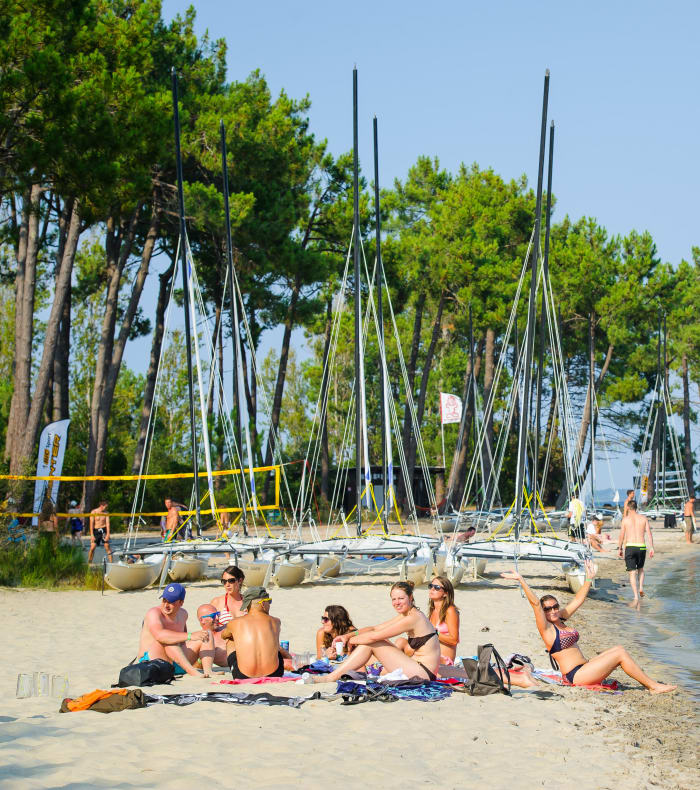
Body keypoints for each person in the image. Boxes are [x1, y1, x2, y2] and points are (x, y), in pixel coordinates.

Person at [500, 563, 676, 693]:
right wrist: (521, 580)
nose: (553, 611)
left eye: (555, 606)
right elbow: (535, 604)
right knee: (620, 655)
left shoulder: (561, 618)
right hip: (575, 676)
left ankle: (652, 684)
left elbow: (578, 600)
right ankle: (653, 686)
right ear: (543, 612)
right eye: (548, 609)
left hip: (585, 667)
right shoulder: (547, 629)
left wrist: (589, 578)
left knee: (619, 649)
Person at [317, 581, 441, 683]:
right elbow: (375, 628)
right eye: (394, 599)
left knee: (373, 642)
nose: (397, 603)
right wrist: (347, 636)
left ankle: (331, 677)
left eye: (401, 598)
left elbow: (374, 636)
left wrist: (350, 640)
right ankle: (336, 674)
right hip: (416, 666)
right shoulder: (407, 615)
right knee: (375, 644)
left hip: (424, 673)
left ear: (411, 597)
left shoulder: (413, 618)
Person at [137, 583, 212, 677]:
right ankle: (192, 671)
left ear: (181, 603)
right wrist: (190, 635)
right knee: (168, 640)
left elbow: (183, 642)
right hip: (153, 662)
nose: (166, 605)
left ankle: (208, 671)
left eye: (171, 602)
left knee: (207, 634)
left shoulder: (183, 614)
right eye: (164, 600)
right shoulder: (154, 613)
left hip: (177, 663)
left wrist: (198, 637)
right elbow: (160, 636)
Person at [219, 586, 288, 679]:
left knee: (230, 640)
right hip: (274, 674)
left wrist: (237, 633)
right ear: (263, 603)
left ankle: (242, 667)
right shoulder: (276, 621)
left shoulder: (234, 623)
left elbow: (223, 636)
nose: (269, 605)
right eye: (269, 601)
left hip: (242, 676)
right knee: (271, 643)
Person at [396, 576, 459, 664]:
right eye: (431, 586)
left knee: (403, 658)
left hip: (443, 659)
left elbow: (454, 640)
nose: (432, 589)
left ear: (445, 593)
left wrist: (434, 632)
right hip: (430, 653)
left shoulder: (450, 610)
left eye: (437, 587)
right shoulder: (433, 610)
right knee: (400, 642)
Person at [618, 500, 654, 602]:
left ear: (628, 508)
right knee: (641, 569)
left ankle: (635, 596)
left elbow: (621, 535)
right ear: (636, 507)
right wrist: (652, 547)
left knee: (632, 572)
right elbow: (649, 533)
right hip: (641, 547)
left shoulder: (625, 520)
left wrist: (620, 548)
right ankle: (641, 587)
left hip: (630, 547)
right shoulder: (643, 518)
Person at [193, 604, 228, 673]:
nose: (217, 618)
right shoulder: (201, 641)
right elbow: (195, 666)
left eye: (218, 614)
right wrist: (202, 658)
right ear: (202, 620)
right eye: (213, 616)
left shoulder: (227, 627)